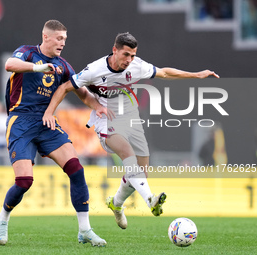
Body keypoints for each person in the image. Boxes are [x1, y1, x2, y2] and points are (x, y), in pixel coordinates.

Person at [43, 32, 220, 229]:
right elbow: (66, 87)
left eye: (133, 55)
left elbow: (164, 73)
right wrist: (50, 112)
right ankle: (151, 199)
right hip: (106, 120)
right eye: (126, 54)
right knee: (127, 153)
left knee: (141, 172)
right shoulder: (95, 70)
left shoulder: (137, 66)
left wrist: (196, 75)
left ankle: (116, 204)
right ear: (114, 50)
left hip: (130, 119)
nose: (129, 60)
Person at [0, 20, 108, 247]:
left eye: (65, 39)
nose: (63, 43)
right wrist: (38, 68)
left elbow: (82, 93)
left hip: (47, 122)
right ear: (45, 37)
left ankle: (85, 230)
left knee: (76, 169)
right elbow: (9, 64)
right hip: (21, 121)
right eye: (59, 38)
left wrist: (99, 107)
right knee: (25, 181)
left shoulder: (64, 66)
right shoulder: (27, 53)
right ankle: (4, 217)